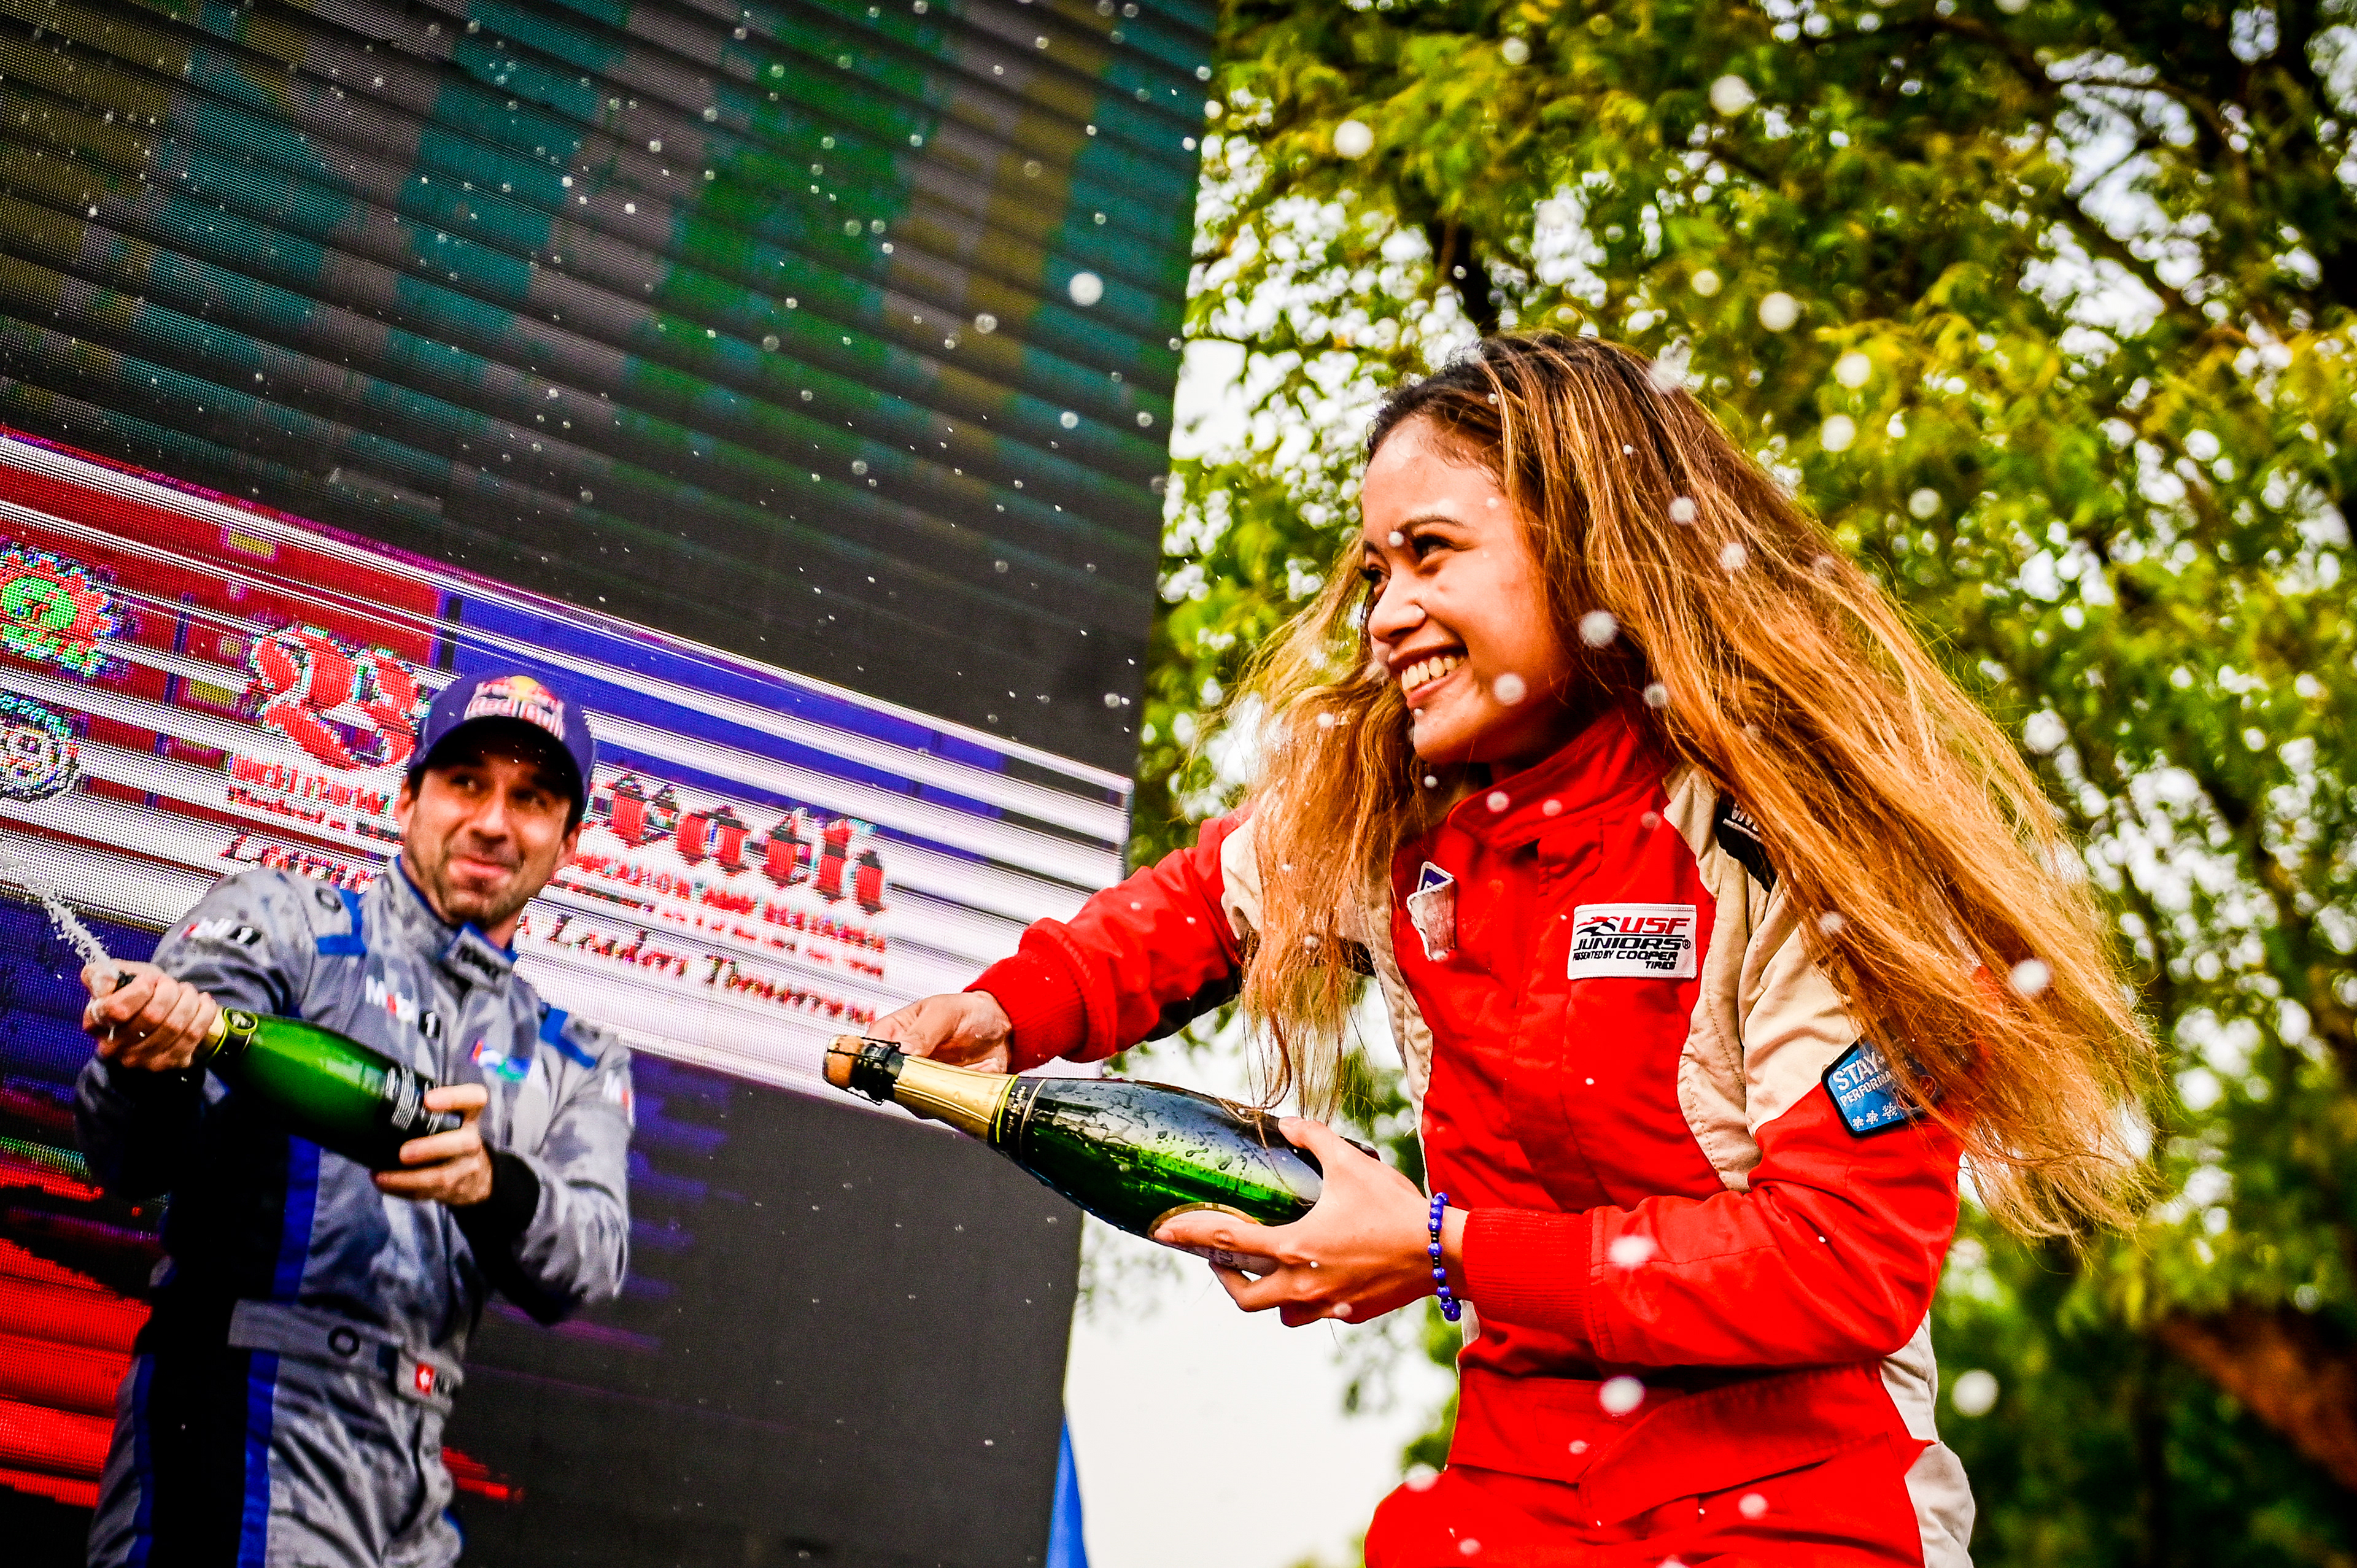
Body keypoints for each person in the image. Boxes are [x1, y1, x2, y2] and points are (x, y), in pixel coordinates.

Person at [873, 336, 2157, 1567]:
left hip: (1802, 1511)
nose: (1388, 615)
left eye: (1432, 554)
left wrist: (1446, 1249)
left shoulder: (1807, 843)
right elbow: (1205, 902)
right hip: (1515, 1500)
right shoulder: (1396, 812)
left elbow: (1841, 1264)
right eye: (1376, 571)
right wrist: (1010, 1012)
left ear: (1596, 553)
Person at [75, 671, 633, 1568]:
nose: (494, 821)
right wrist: (156, 1064)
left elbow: (592, 1261)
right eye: (466, 783)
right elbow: (125, 1158)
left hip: (412, 1479)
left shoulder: (578, 1054)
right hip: (240, 1414)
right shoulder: (283, 925)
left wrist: (492, 1185)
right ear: (407, 797)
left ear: (568, 844)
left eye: (532, 799)